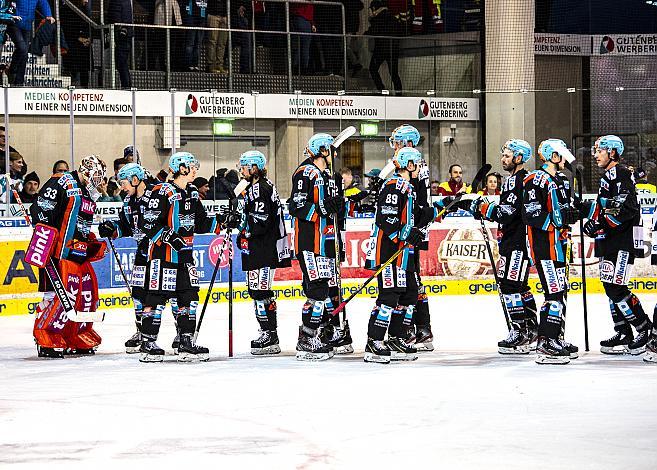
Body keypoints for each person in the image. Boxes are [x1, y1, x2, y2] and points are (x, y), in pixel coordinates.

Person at [363, 147, 449, 363]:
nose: (419, 169)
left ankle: (396, 337)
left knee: (409, 294)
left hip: (404, 254)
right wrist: (407, 233)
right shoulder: (393, 185)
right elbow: (386, 218)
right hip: (389, 251)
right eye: (418, 164)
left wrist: (443, 206)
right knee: (389, 295)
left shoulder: (408, 188)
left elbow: (418, 215)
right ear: (410, 165)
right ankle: (374, 342)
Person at [138, 152, 222, 362]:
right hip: (162, 256)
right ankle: (148, 343)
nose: (195, 170)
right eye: (192, 166)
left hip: (185, 257)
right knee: (156, 299)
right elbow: (148, 223)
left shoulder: (192, 192)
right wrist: (168, 236)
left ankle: (185, 342)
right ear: (181, 168)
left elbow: (201, 222)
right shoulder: (161, 191)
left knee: (189, 297)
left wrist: (223, 222)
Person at [457, 140, 538, 354]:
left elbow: (506, 213)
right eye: (503, 155)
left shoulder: (518, 180)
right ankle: (531, 330)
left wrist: (480, 207)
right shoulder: (518, 179)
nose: (503, 159)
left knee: (510, 286)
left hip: (517, 243)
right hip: (514, 241)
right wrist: (483, 207)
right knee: (519, 286)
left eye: (508, 156)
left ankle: (520, 332)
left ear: (519, 158)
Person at [27, 155, 108, 358]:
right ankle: (47, 335)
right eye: (96, 176)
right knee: (57, 296)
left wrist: (90, 240)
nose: (98, 181)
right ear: (86, 171)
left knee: (85, 296)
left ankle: (76, 334)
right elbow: (40, 210)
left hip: (78, 253)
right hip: (58, 252)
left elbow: (81, 225)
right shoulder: (61, 182)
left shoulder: (89, 194)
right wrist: (44, 238)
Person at [583, 135, 653, 355]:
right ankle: (623, 331)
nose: (595, 155)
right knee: (608, 286)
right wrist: (593, 221)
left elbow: (626, 208)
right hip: (609, 240)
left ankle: (644, 328)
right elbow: (604, 206)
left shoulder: (621, 174)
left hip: (622, 241)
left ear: (612, 152)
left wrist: (600, 223)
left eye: (599, 151)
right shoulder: (608, 176)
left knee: (616, 287)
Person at [522, 139, 580, 365]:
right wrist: (557, 221)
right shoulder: (535, 180)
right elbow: (532, 213)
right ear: (553, 156)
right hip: (544, 247)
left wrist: (573, 213)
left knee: (561, 292)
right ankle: (546, 342)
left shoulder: (563, 180)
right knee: (553, 294)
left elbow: (566, 209)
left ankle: (556, 337)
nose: (566, 158)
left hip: (561, 247)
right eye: (562, 154)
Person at [288, 133, 344, 361]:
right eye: (331, 149)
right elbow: (296, 205)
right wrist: (322, 207)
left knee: (324, 289)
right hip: (310, 242)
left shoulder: (326, 174)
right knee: (317, 290)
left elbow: (329, 209)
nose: (334, 153)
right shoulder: (305, 172)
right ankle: (307, 338)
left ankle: (319, 333)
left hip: (325, 242)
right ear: (322, 150)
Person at [232, 150, 291, 355]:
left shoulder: (260, 188)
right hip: (260, 247)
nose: (241, 170)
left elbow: (260, 220)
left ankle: (270, 335)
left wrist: (243, 231)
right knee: (257, 292)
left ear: (254, 168)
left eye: (244, 167)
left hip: (263, 248)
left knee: (261, 292)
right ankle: (268, 332)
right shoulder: (256, 187)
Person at [388, 124, 435, 351]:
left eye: (397, 142)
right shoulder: (415, 163)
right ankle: (421, 327)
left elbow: (418, 204)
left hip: (412, 231)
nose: (394, 146)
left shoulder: (415, 166)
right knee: (411, 279)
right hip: (413, 229)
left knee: (411, 279)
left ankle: (420, 328)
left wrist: (412, 230)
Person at [98, 163, 152, 354]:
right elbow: (125, 226)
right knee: (138, 294)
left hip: (159, 254)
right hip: (141, 254)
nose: (122, 187)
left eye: (124, 183)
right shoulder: (128, 202)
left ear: (136, 180)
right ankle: (142, 330)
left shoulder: (155, 196)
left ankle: (180, 333)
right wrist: (112, 228)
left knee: (161, 295)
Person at [8, 0, 54, 85]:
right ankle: (12, 70)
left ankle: (19, 82)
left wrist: (48, 15)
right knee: (22, 48)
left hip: (27, 25)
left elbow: (43, 2)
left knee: (25, 53)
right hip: (13, 23)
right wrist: (11, 15)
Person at [107, 0, 133, 88]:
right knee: (121, 62)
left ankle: (127, 86)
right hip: (122, 35)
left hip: (122, 36)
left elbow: (121, 18)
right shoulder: (124, 2)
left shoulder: (120, 1)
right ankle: (127, 86)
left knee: (121, 62)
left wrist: (122, 31)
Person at [182, 0, 206, 71]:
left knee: (198, 44)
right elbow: (187, 6)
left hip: (202, 19)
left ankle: (195, 64)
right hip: (192, 19)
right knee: (190, 44)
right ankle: (188, 64)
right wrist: (188, 18)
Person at [206, 0, 228, 74]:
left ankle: (219, 65)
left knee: (222, 43)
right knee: (212, 41)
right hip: (213, 15)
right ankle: (210, 65)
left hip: (224, 16)